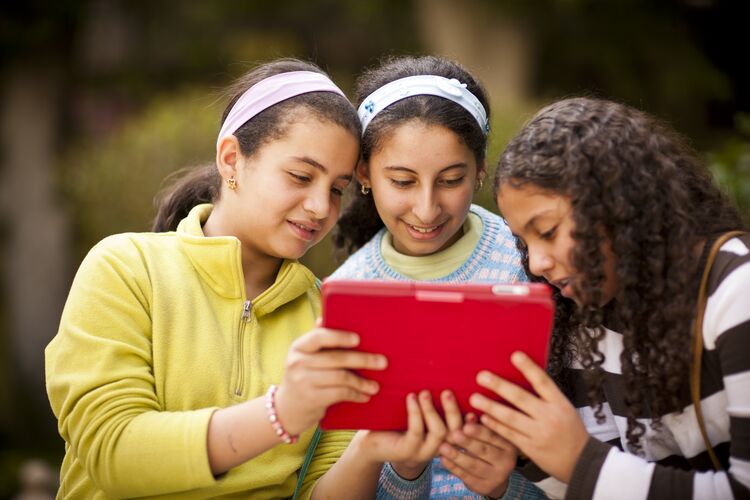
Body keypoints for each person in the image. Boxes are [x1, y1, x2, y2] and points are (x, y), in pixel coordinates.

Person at [45, 59, 451, 499]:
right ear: (231, 159)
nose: (320, 207)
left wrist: (374, 449)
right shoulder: (125, 268)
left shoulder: (330, 317)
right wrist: (281, 412)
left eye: (336, 189)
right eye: (300, 176)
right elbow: (112, 452)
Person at [475, 96, 750, 499]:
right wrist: (525, 455)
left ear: (619, 206)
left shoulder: (736, 291)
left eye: (548, 231)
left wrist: (579, 460)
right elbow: (612, 484)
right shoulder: (582, 319)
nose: (536, 264)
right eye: (523, 242)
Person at [330, 55, 546, 500]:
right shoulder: (351, 292)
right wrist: (406, 470)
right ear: (365, 174)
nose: (427, 210)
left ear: (481, 168)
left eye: (450, 180)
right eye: (403, 182)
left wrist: (507, 488)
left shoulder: (532, 257)